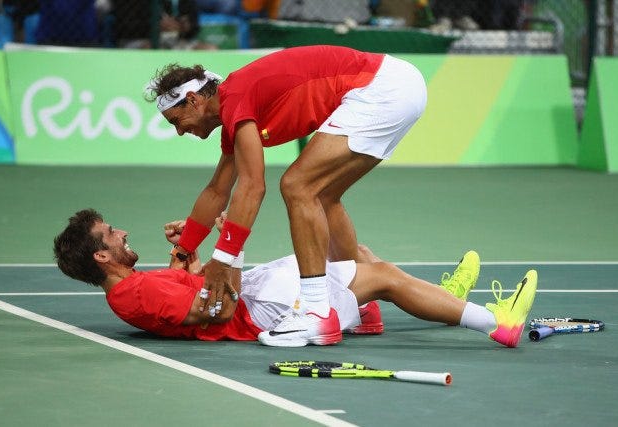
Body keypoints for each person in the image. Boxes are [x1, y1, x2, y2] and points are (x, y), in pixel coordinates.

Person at [144, 45, 429, 347]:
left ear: (193, 100)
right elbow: (217, 191)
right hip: (395, 85)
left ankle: (316, 311)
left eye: (176, 121)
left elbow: (253, 187)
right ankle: (360, 304)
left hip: (381, 88)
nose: (178, 131)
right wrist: (183, 250)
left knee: (298, 185)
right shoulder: (233, 108)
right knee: (324, 196)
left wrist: (223, 259)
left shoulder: (235, 98)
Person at [53, 209, 538, 348]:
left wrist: (191, 254)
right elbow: (219, 309)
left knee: (350, 249)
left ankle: (438, 301)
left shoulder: (136, 286)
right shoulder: (136, 294)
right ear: (101, 255)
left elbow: (195, 290)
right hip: (260, 313)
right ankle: (498, 323)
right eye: (111, 233)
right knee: (382, 276)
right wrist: (231, 248)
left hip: (255, 293)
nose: (122, 231)